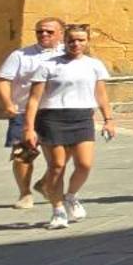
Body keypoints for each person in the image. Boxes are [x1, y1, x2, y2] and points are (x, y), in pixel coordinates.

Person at [20, 25, 115, 230]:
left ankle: (70, 196)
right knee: (57, 167)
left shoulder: (94, 65)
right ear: (65, 41)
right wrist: (28, 128)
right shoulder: (48, 65)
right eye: (72, 40)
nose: (76, 44)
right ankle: (58, 210)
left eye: (81, 40)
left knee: (84, 165)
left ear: (87, 41)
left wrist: (108, 119)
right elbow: (34, 100)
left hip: (81, 117)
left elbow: (101, 95)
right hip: (52, 118)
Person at [0, 16, 63, 210]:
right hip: (24, 111)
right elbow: (3, 79)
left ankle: (44, 183)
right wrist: (8, 103)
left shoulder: (67, 55)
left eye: (49, 31)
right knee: (23, 154)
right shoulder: (21, 55)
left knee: (63, 154)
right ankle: (25, 194)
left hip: (56, 112)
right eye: (40, 31)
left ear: (60, 33)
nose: (44, 34)